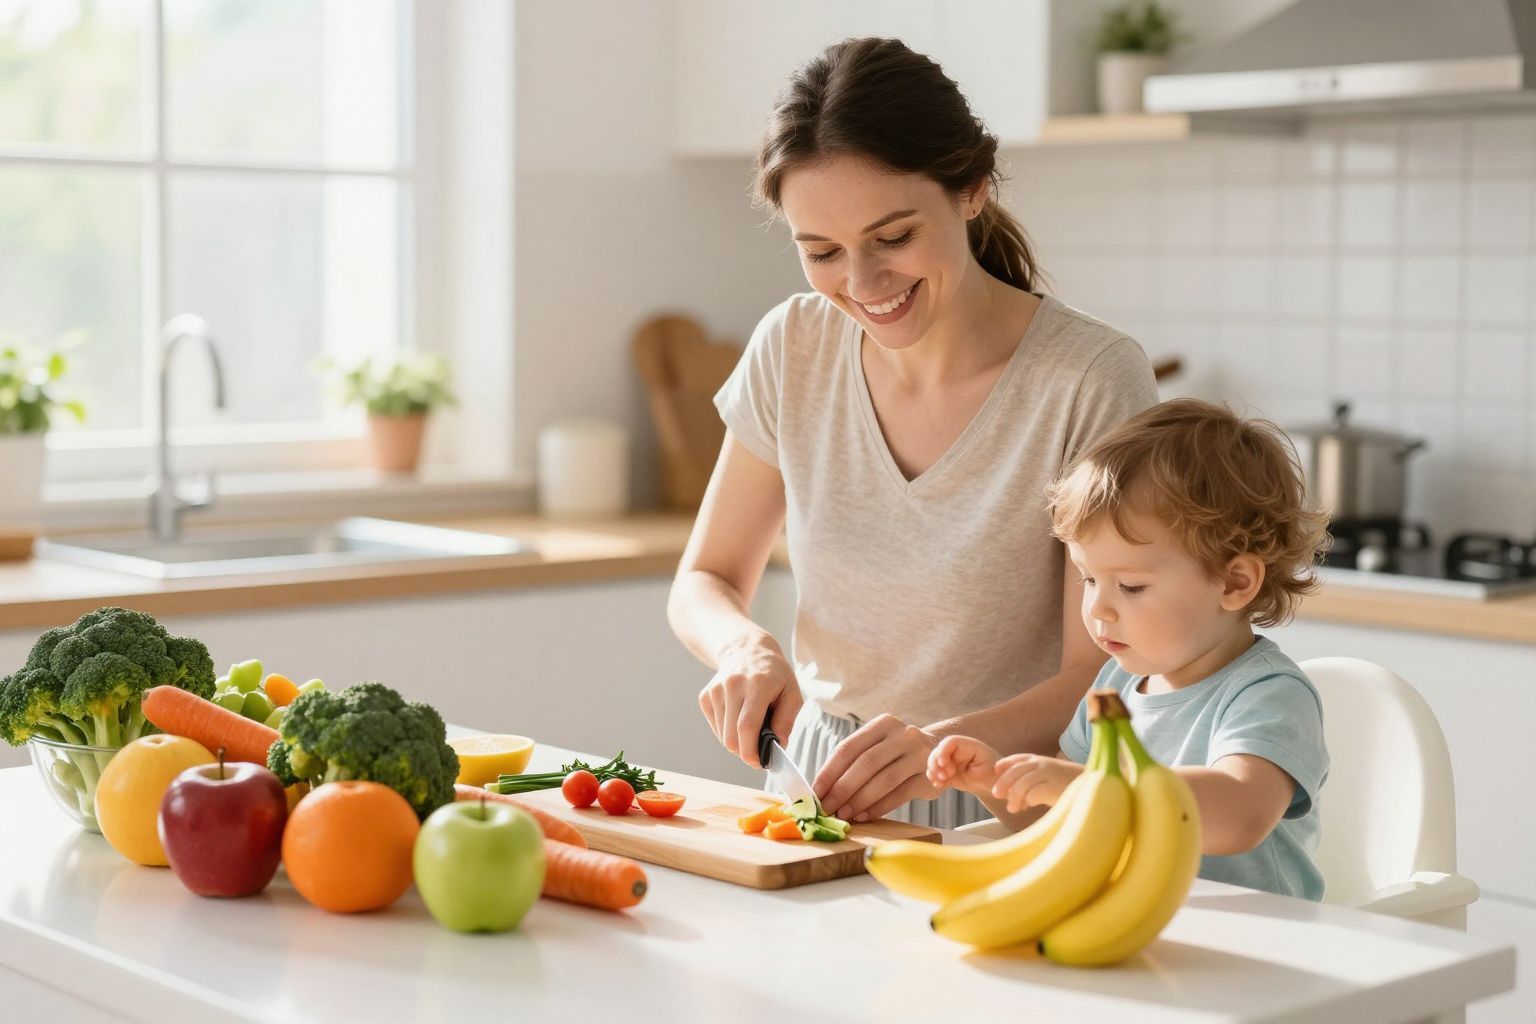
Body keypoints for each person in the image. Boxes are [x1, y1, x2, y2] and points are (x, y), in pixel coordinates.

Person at [667, 36, 1157, 829]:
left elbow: (1104, 673)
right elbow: (706, 580)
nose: (861, 285)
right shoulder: (792, 347)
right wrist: (742, 649)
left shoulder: (1090, 379)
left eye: (893, 238)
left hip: (1008, 800)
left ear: (971, 189)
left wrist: (939, 747)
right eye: (821, 252)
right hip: (820, 782)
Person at [927, 399, 1331, 898]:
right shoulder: (1115, 683)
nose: (1098, 609)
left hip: (1262, 944)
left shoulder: (1267, 693)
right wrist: (995, 780)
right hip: (1136, 929)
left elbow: (1240, 814)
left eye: (1132, 587)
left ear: (1235, 581)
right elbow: (1063, 821)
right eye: (1089, 578)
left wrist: (1084, 787)